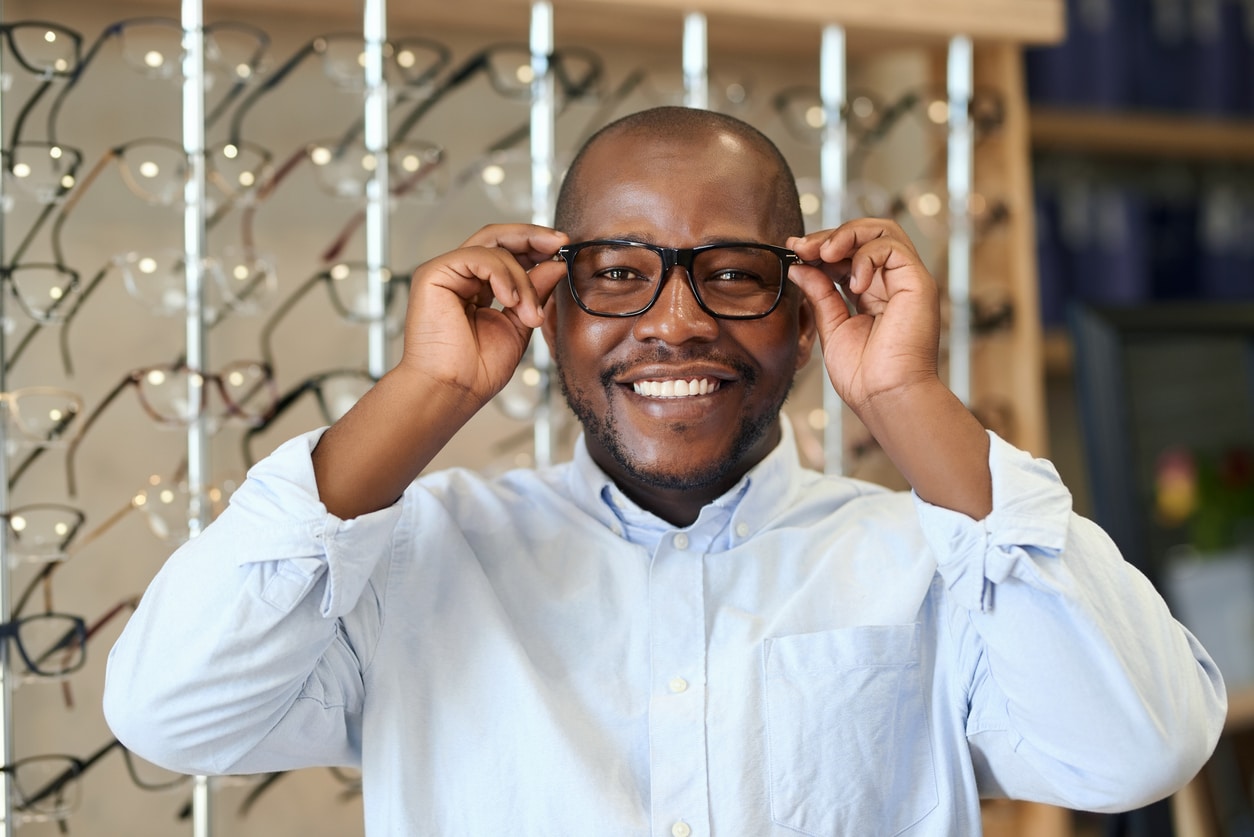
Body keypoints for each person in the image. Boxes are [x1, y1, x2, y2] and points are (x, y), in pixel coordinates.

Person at [103, 106, 1225, 836]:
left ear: (804, 307)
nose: (676, 323)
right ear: (549, 309)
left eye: (733, 274)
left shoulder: (926, 552)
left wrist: (905, 399)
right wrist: (426, 393)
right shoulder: (416, 555)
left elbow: (1139, 747)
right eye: (620, 273)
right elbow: (172, 713)